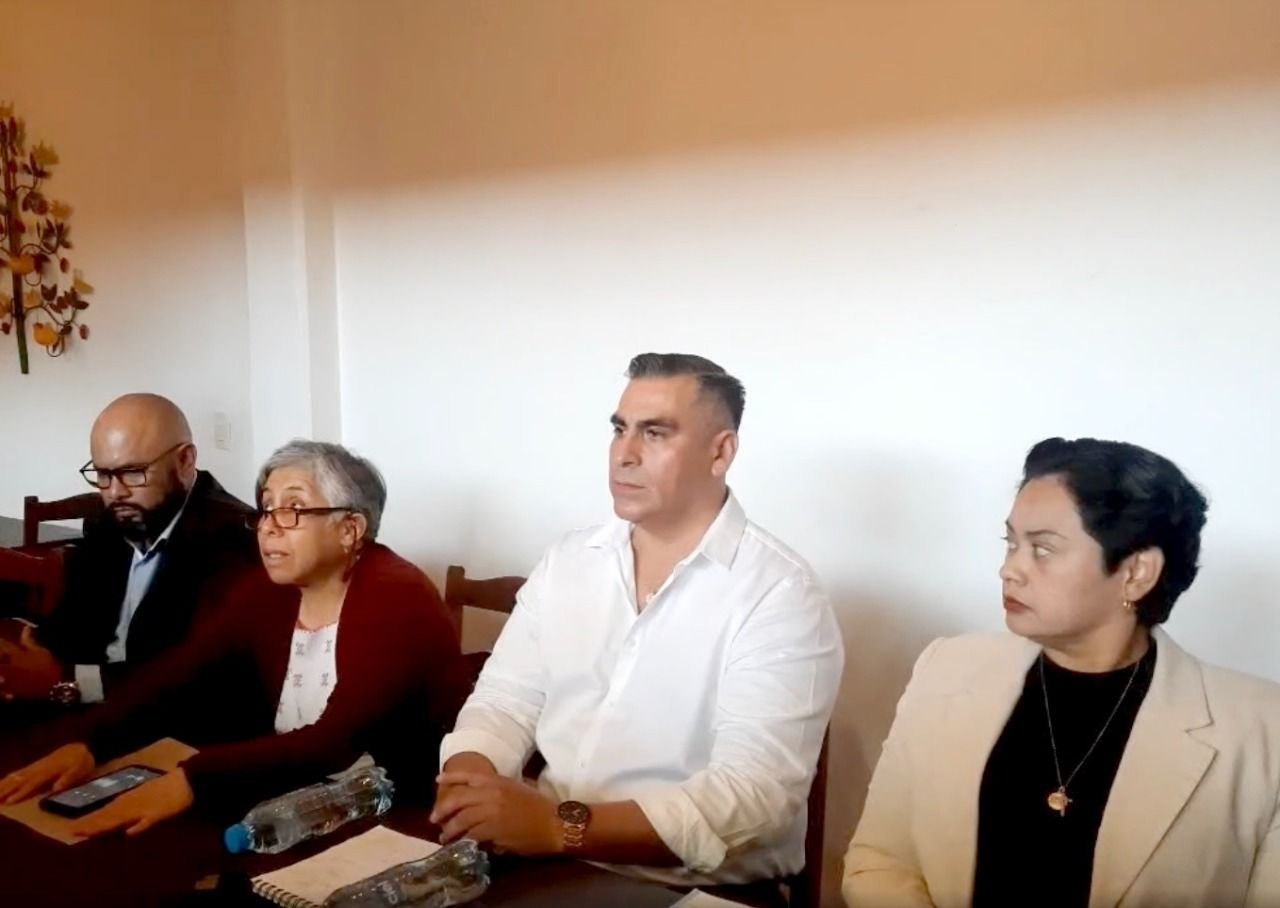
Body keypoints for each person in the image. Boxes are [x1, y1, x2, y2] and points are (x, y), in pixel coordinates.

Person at [432, 353, 844, 892]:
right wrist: (472, 779)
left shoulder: (781, 593)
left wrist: (559, 827)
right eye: (619, 429)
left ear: (720, 452)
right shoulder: (569, 560)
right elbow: (505, 699)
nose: (624, 455)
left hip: (690, 886)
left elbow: (751, 796)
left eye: (654, 433)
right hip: (545, 863)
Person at [843, 437, 1280, 908]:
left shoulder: (1261, 730)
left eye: (1043, 549)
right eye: (1011, 544)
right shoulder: (946, 669)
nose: (1009, 570)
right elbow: (878, 861)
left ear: (1136, 572)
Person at [0, 440, 465, 835]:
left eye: (293, 509)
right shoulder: (269, 589)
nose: (269, 526)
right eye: (266, 508)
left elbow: (333, 742)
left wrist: (192, 780)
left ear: (350, 529)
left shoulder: (397, 596)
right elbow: (179, 673)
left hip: (408, 815)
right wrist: (90, 743)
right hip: (298, 802)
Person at [0, 393, 257, 706]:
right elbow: (74, 618)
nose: (115, 492)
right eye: (103, 475)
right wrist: (26, 654)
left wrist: (66, 678)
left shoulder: (236, 542)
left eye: (133, 472)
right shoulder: (115, 522)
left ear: (185, 461)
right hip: (80, 703)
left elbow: (198, 677)